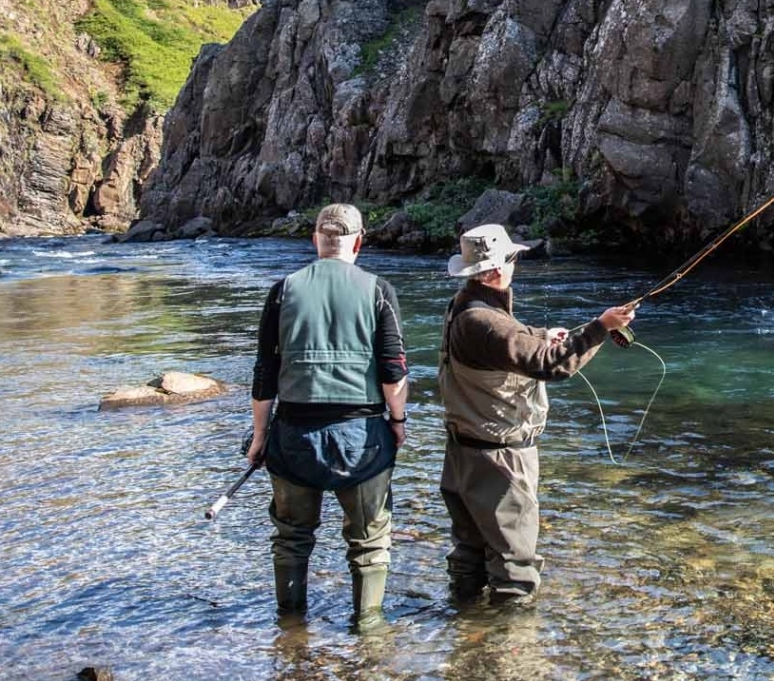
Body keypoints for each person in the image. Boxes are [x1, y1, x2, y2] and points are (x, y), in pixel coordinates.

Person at [439, 223, 637, 606]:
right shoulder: (486, 323)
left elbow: (509, 338)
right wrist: (602, 327)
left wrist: (541, 334)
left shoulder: (464, 306)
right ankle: (514, 655)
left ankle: (464, 637)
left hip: (462, 454)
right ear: (497, 269)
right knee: (516, 567)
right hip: (499, 461)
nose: (515, 264)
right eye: (512, 258)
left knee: (470, 554)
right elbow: (554, 366)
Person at [247, 203, 408, 632]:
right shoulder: (378, 290)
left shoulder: (283, 290)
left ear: (316, 240)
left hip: (293, 436)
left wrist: (259, 437)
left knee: (292, 539)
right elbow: (393, 372)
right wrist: (399, 421)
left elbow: (265, 376)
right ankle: (369, 631)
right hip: (363, 439)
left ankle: (291, 628)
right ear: (358, 242)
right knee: (369, 542)